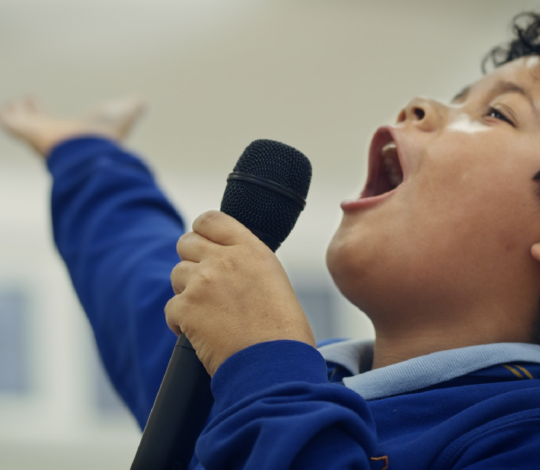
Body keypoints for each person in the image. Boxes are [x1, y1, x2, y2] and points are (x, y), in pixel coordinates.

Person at [2, 11, 540, 470]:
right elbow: (142, 293)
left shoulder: (521, 435)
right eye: (460, 97)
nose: (418, 104)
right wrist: (88, 157)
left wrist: (264, 362)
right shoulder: (298, 373)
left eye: (498, 113)